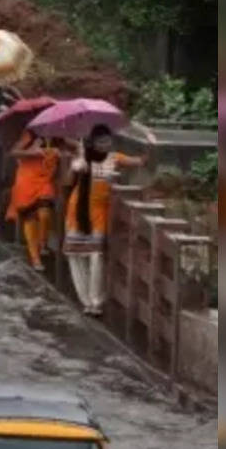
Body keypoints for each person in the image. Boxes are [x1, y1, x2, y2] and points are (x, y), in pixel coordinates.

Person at [63, 124, 146, 316]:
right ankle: (85, 301)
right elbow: (67, 182)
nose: (105, 145)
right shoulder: (82, 157)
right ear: (93, 142)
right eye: (101, 142)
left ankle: (96, 300)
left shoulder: (114, 158)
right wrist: (75, 166)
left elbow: (139, 162)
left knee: (96, 256)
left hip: (99, 212)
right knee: (75, 256)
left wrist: (148, 142)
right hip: (77, 211)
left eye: (108, 141)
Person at [7, 130, 71, 270]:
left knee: (45, 213)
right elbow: (14, 152)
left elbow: (71, 151)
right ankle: (35, 257)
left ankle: (43, 243)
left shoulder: (59, 138)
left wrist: (65, 153)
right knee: (30, 218)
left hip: (44, 182)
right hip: (26, 181)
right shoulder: (29, 135)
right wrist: (32, 152)